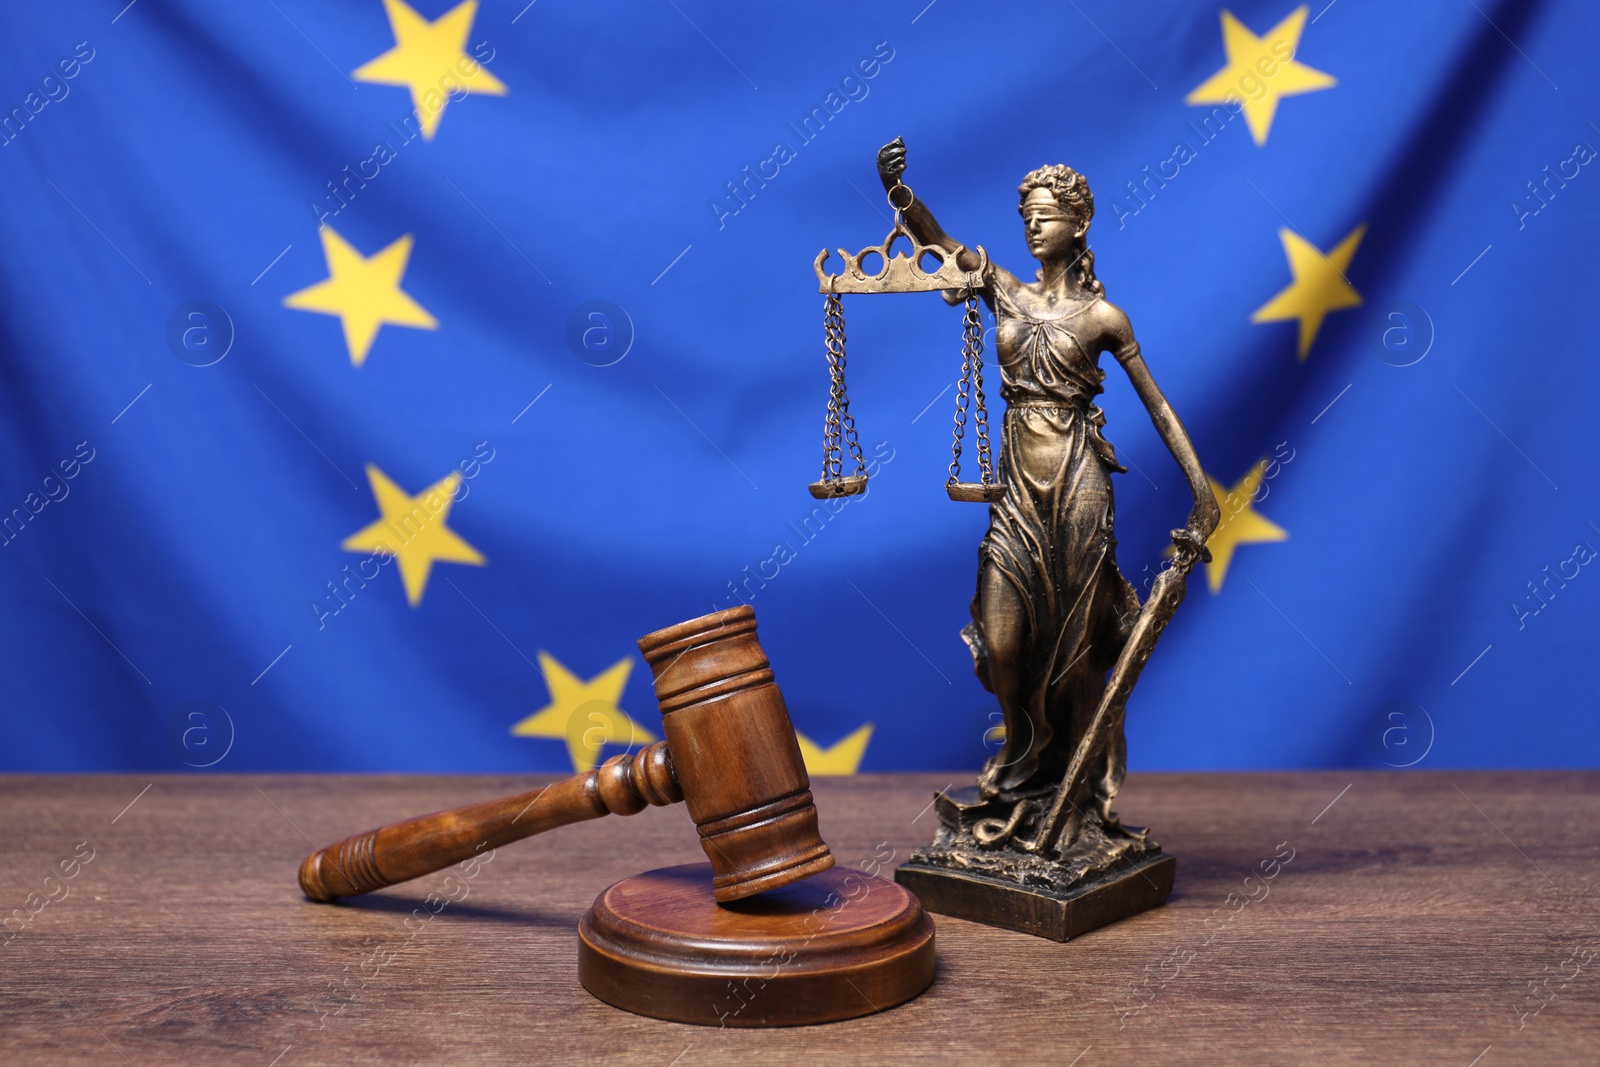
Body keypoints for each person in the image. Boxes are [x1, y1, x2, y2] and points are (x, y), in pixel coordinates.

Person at [876, 138, 1218, 841]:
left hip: (1077, 482)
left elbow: (1157, 404)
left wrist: (1204, 493)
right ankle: (1022, 763)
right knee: (1004, 639)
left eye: (1045, 214)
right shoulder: (1007, 290)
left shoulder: (1103, 318)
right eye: (1024, 213)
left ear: (1078, 223)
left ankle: (1074, 790)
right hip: (1016, 491)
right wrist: (900, 194)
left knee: (1075, 649)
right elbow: (939, 243)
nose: (1031, 225)